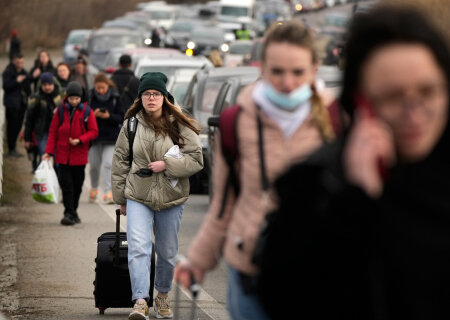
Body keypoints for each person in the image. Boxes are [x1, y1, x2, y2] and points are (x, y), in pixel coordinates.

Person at [256, 5, 450, 319]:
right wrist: (356, 205)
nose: (414, 113)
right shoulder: (316, 187)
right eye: (392, 96)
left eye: (428, 92)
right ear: (360, 101)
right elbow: (287, 298)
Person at [174, 20, 337, 319]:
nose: (287, 83)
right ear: (261, 68)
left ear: (315, 69)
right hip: (251, 272)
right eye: (277, 72)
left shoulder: (338, 121)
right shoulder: (236, 121)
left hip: (319, 273)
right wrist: (196, 262)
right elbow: (224, 206)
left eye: (298, 72)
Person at [111, 72, 203, 319]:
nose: (151, 98)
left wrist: (167, 165)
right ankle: (140, 300)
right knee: (138, 248)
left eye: (156, 94)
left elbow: (196, 159)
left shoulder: (179, 123)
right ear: (140, 97)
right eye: (146, 94)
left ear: (164, 96)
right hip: (138, 194)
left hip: (171, 197)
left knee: (167, 251)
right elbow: (120, 161)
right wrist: (121, 198)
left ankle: (162, 295)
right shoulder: (131, 124)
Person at [43, 81, 98, 226]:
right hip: (62, 155)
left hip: (79, 156)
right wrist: (48, 152)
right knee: (66, 185)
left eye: (76, 99)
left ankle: (73, 211)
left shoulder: (87, 112)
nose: (74, 101)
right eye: (71, 98)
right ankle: (68, 212)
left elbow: (93, 131)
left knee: (77, 186)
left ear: (81, 98)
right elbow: (53, 131)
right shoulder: (60, 111)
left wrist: (80, 140)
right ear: (67, 97)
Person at [88, 73, 125, 204]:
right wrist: (93, 115)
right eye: (98, 88)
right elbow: (84, 116)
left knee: (109, 164)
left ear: (108, 85)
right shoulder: (90, 96)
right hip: (94, 137)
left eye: (103, 88)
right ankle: (93, 188)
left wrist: (108, 116)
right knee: (94, 166)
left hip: (111, 137)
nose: (100, 91)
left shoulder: (115, 97)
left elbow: (122, 116)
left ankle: (109, 192)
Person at [24, 72, 64, 160]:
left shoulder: (60, 98)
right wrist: (28, 138)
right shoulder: (36, 99)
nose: (47, 87)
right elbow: (29, 119)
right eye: (44, 85)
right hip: (42, 132)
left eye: (49, 84)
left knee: (58, 159)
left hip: (58, 132)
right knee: (45, 155)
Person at [2, 53, 31, 157]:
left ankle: (13, 148)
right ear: (14, 61)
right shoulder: (8, 72)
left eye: (22, 62)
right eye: (18, 62)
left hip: (22, 104)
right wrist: (17, 81)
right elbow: (6, 86)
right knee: (12, 126)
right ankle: (11, 148)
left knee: (18, 125)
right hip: (11, 104)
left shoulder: (24, 73)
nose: (20, 64)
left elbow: (28, 90)